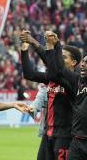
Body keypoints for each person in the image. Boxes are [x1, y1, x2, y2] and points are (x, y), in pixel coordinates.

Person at [43, 29, 87, 159]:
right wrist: (54, 46)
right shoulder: (76, 81)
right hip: (77, 141)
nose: (83, 65)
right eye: (83, 62)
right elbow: (57, 69)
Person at [20, 31, 82, 160]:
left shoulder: (76, 80)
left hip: (65, 136)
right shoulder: (51, 78)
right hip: (48, 134)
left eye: (63, 57)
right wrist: (25, 50)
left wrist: (39, 44)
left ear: (74, 62)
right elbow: (29, 74)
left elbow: (55, 69)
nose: (59, 59)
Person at [27, 83, 48, 160]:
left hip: (66, 134)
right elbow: (36, 104)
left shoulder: (70, 85)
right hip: (48, 133)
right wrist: (32, 109)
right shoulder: (45, 90)